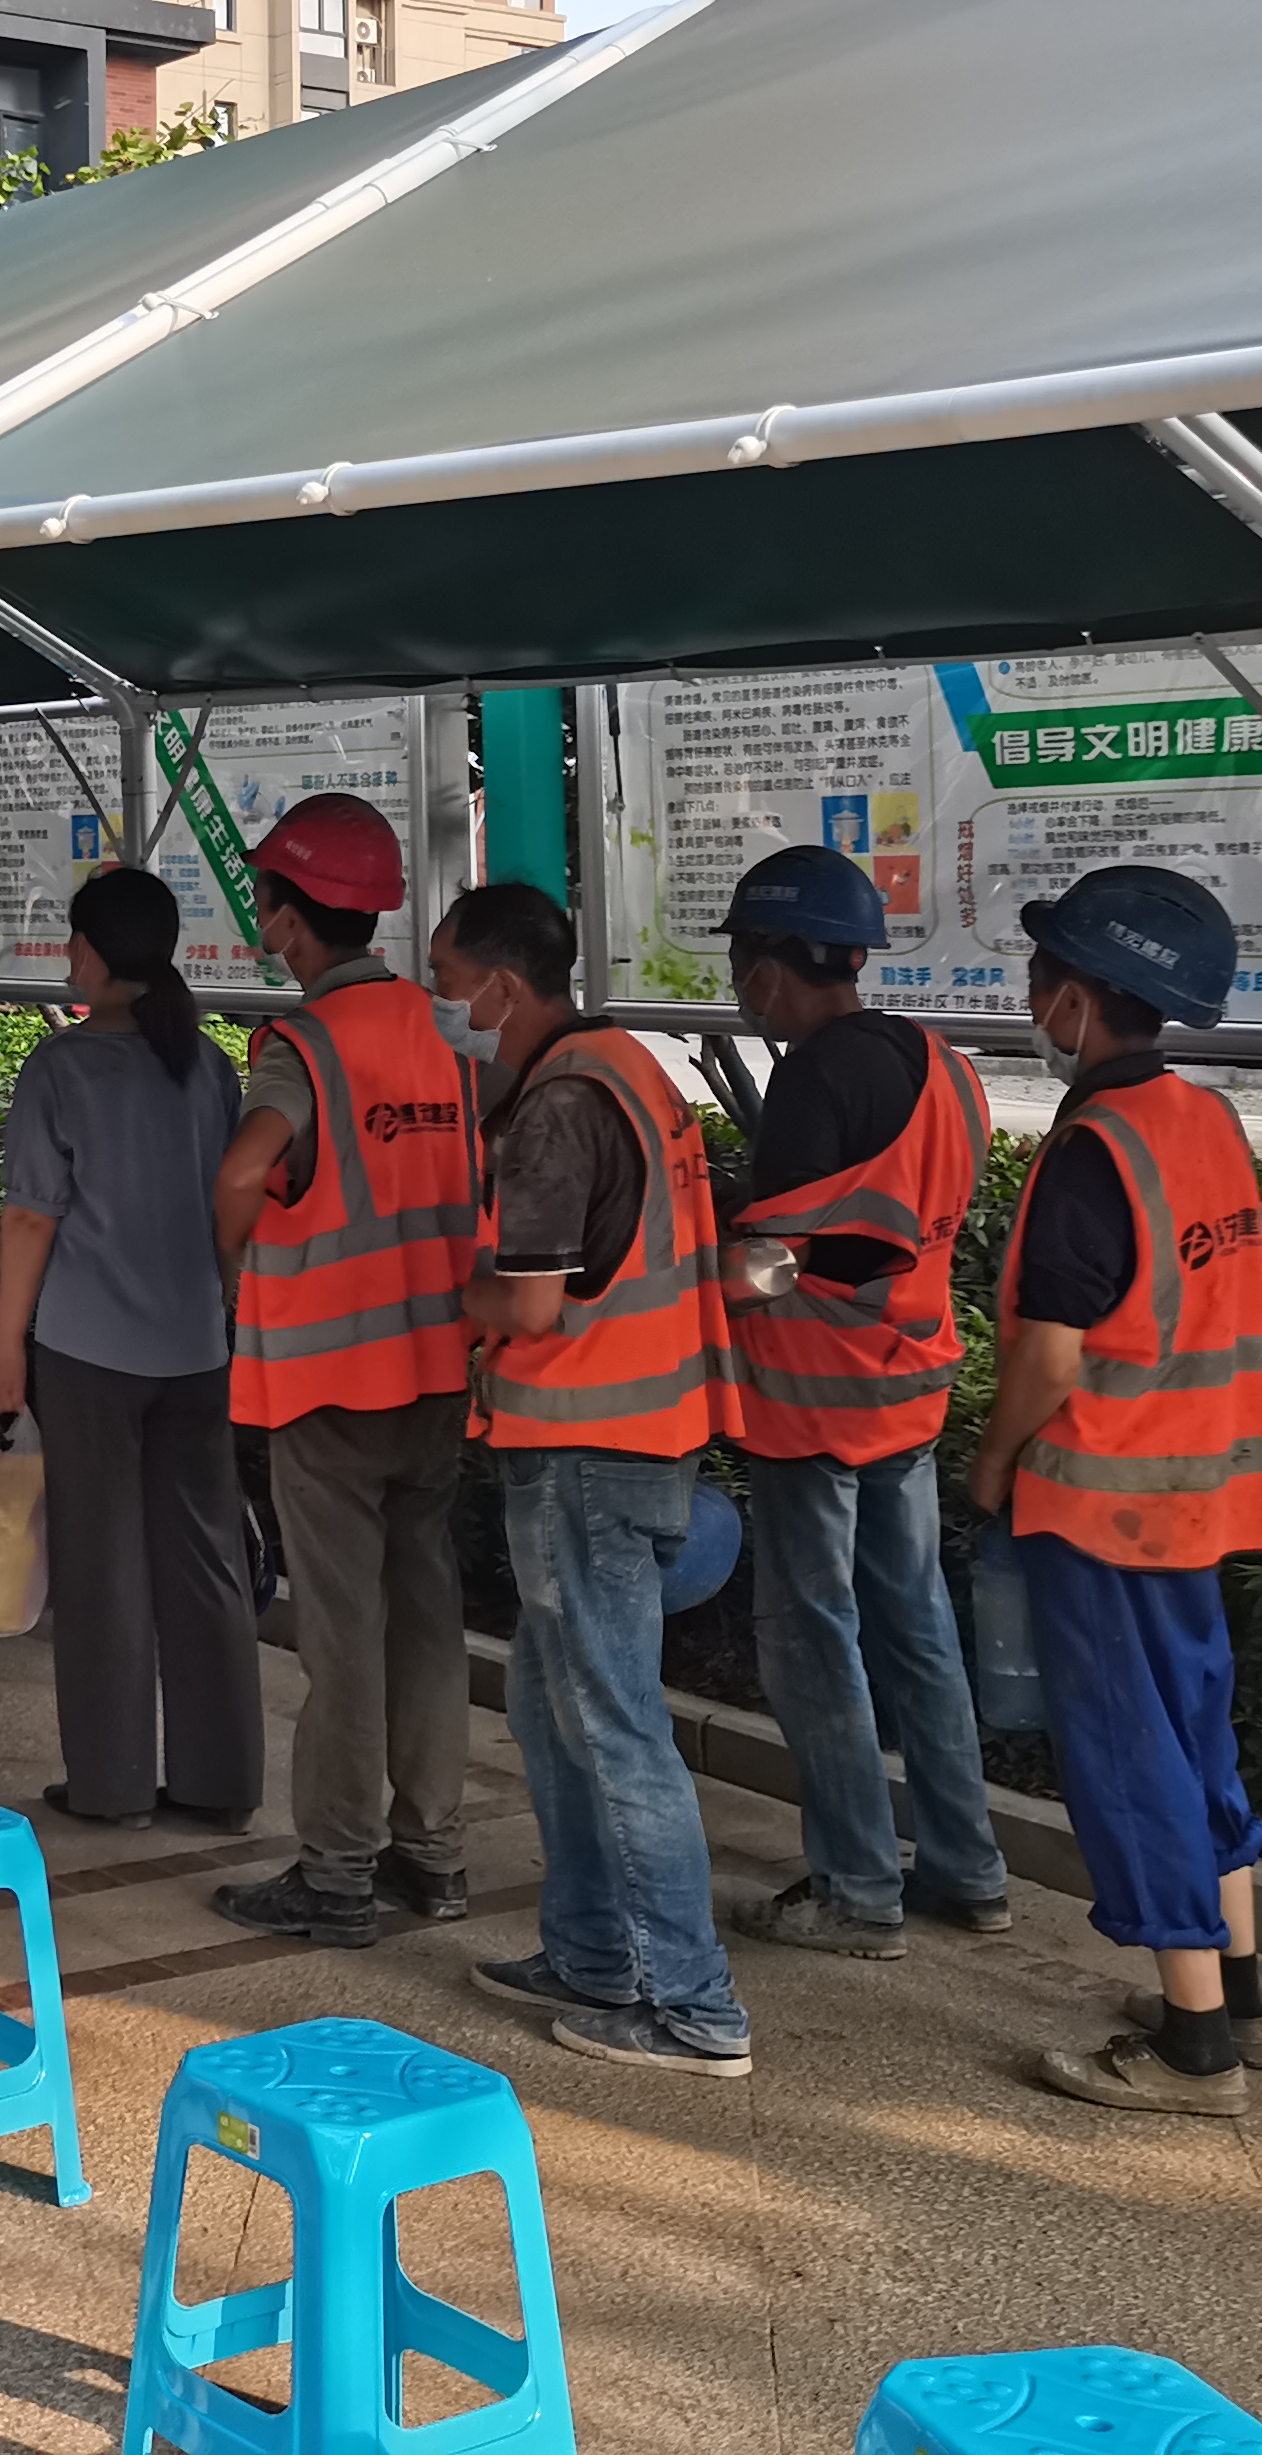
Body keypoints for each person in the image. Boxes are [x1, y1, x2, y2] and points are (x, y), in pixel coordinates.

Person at [968, 864, 1262, 2118]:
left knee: (1131, 1756)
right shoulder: (1203, 1122)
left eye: (1041, 974)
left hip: (1101, 1501)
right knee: (1196, 1736)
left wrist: (992, 1462)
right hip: (1200, 1492)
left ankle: (1195, 2048)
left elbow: (1052, 1355)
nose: (1030, 997)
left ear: (1080, 996)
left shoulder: (1093, 1149)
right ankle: (1240, 1997)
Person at [441, 877, 755, 2080]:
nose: (443, 1009)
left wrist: (439, 1296)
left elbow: (528, 1303)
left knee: (617, 1726)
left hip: (585, 1446)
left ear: (499, 988)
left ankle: (694, 2004)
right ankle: (590, 1955)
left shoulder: (559, 1105)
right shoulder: (630, 1069)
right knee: (548, 1707)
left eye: (447, 986)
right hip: (639, 1431)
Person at [710, 842, 1013, 1960]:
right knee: (918, 1625)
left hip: (813, 1401)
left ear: (768, 967)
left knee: (813, 1635)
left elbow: (777, 1260)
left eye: (742, 968)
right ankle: (967, 1869)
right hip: (910, 1386)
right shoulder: (940, 1063)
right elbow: (882, 1226)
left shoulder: (812, 1079)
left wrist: (695, 1264)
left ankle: (855, 1888)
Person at [204, 794, 480, 1947]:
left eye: (266, 901)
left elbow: (244, 1171)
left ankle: (337, 1870)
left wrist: (231, 1263)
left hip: (328, 1382)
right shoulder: (444, 1029)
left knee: (343, 1634)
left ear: (287, 918)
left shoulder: (303, 1046)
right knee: (426, 1618)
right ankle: (435, 1852)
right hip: (439, 1367)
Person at [0, 867, 263, 1830]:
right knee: (206, 1561)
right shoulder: (209, 1065)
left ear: (101, 952)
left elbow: (31, 1218)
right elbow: (232, 1212)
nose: (69, 957)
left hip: (89, 1350)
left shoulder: (61, 1068)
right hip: (196, 1346)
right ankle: (220, 1781)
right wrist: (221, 1307)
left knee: (101, 1566)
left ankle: (110, 1785)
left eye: (76, 941)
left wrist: (4, 1346)